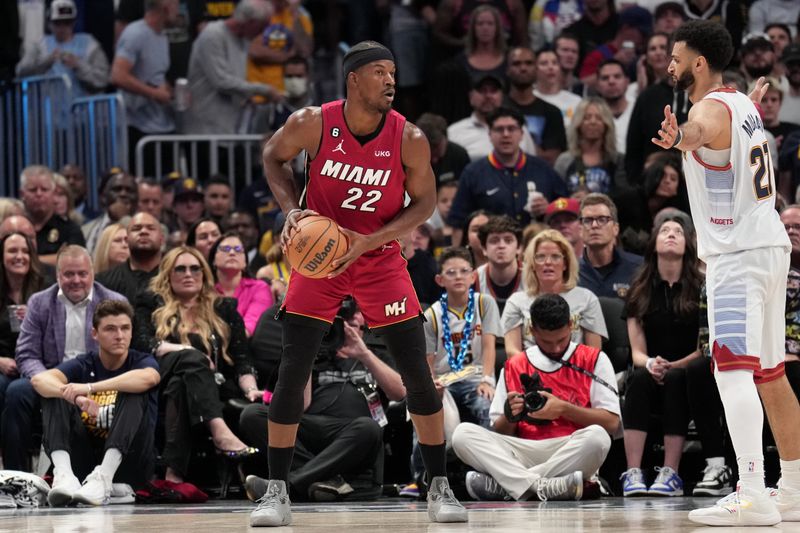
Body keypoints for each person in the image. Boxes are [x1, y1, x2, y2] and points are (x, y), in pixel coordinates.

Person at [252, 41, 468, 526]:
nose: (391, 80)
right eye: (379, 72)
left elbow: (424, 203)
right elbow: (272, 157)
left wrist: (374, 240)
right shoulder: (313, 122)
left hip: (377, 258)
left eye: (394, 71)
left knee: (415, 369)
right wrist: (292, 212)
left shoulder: (409, 137)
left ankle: (438, 486)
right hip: (320, 257)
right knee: (293, 369)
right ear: (354, 79)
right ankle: (277, 491)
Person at [652, 19, 800, 525]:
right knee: (771, 374)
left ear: (697, 63)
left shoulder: (709, 110)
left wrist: (679, 137)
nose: (668, 65)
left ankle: (754, 492)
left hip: (737, 255)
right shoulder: (742, 102)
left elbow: (700, 130)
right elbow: (726, 122)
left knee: (731, 369)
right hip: (769, 247)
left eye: (675, 57)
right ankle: (795, 490)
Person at [451, 293, 621, 502]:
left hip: (569, 449)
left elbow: (612, 424)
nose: (556, 348)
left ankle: (509, 486)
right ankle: (545, 486)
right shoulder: (514, 365)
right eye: (547, 342)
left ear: (571, 325)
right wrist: (510, 415)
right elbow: (501, 431)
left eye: (561, 339)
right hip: (522, 452)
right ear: (531, 330)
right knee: (462, 434)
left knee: (598, 437)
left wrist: (565, 409)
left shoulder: (594, 359)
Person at [239, 299, 406, 502]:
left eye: (351, 326)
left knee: (369, 427)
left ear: (363, 324)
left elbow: (400, 392)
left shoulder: (375, 355)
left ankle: (287, 484)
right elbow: (301, 406)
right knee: (252, 415)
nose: (344, 332)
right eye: (336, 326)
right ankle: (328, 480)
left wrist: (364, 354)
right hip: (314, 427)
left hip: (355, 435)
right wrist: (308, 351)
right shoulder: (313, 355)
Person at [132, 246, 259, 485]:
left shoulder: (225, 308)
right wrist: (188, 350)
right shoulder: (149, 303)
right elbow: (144, 345)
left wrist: (251, 389)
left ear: (204, 273)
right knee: (190, 361)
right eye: (180, 269)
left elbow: (242, 359)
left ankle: (174, 474)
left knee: (180, 386)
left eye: (195, 268)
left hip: (211, 386)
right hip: (161, 377)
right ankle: (219, 430)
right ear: (168, 274)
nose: (188, 274)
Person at [4, 245, 125, 471]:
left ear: (92, 273)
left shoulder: (113, 301)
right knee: (16, 393)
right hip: (51, 375)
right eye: (69, 274)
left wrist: (89, 386)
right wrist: (49, 382)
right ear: (58, 275)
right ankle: (16, 475)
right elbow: (26, 352)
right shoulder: (40, 302)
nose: (76, 280)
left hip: (95, 380)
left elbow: (121, 350)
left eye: (82, 274)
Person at [31, 300, 160, 506]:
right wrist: (73, 396)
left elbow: (149, 378)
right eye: (110, 329)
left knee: (133, 389)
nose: (119, 335)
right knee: (57, 393)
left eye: (125, 328)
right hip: (85, 463)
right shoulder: (85, 362)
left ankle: (105, 478)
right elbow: (39, 380)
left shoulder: (141, 361)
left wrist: (89, 388)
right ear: (94, 334)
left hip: (129, 463)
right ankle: (64, 476)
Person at [618, 212, 703, 497]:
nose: (670, 234)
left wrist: (674, 365)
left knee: (678, 378)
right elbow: (637, 351)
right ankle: (633, 471)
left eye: (677, 231)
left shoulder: (702, 287)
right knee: (639, 378)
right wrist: (652, 363)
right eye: (664, 230)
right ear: (653, 243)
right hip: (653, 370)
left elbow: (705, 347)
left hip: (693, 375)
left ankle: (671, 472)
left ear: (687, 244)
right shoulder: (639, 290)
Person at [447, 107, 567, 234]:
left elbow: (566, 209)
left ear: (521, 134)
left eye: (511, 129)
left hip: (536, 248)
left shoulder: (543, 169)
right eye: (499, 129)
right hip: (491, 248)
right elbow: (458, 223)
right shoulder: (473, 173)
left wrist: (549, 209)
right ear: (489, 134)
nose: (505, 134)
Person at [502, 229, 607, 355]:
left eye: (555, 256)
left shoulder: (587, 299)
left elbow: (594, 351)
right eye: (540, 257)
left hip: (574, 369)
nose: (548, 262)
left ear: (565, 264)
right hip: (531, 370)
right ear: (533, 264)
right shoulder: (516, 301)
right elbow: (511, 351)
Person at [184, 0, 279, 135]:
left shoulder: (243, 40)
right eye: (262, 26)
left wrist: (246, 95)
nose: (262, 32)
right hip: (205, 131)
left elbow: (236, 78)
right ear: (250, 22)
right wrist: (263, 90)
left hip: (231, 128)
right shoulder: (212, 35)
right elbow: (221, 81)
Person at [110, 0, 180, 172]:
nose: (179, 11)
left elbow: (153, 76)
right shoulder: (136, 33)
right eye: (177, 5)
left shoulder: (162, 36)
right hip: (138, 126)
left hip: (162, 123)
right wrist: (154, 94)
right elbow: (117, 75)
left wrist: (170, 92)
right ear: (166, 7)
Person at [0, 232, 45, 440]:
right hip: (3, 363)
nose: (20, 256)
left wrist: (36, 315)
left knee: (18, 391)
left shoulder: (45, 287)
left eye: (25, 251)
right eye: (12, 251)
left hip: (37, 364)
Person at [15, 0, 109, 98]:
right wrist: (46, 62)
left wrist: (78, 65)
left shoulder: (90, 44)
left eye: (67, 23)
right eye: (57, 23)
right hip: (49, 109)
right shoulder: (40, 45)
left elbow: (102, 80)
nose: (62, 27)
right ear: (49, 23)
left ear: (74, 23)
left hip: (81, 110)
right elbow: (20, 72)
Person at [504, 46, 567, 166]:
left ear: (536, 69)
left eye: (529, 63)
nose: (523, 68)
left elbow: (552, 159)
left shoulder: (551, 112)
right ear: (507, 70)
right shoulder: (497, 109)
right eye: (517, 64)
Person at [554, 98, 626, 198]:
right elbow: (556, 197)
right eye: (587, 117)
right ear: (578, 123)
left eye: (599, 118)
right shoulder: (564, 160)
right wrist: (571, 201)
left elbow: (624, 197)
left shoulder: (618, 160)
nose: (593, 122)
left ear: (606, 124)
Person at [578, 193, 642, 299]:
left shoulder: (639, 268)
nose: (594, 225)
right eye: (588, 220)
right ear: (580, 230)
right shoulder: (570, 272)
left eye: (602, 219)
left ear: (615, 229)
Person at [19, 165, 85, 266]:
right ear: (22, 194)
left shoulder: (69, 229)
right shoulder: (14, 228)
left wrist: (27, 259)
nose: (39, 194)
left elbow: (74, 261)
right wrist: (56, 257)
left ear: (53, 194)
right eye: (33, 190)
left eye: (44, 189)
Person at [209, 232, 273, 335]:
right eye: (225, 249)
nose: (232, 253)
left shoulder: (259, 288)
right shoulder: (205, 290)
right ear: (213, 260)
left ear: (245, 263)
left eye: (238, 249)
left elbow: (250, 326)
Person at [96, 212, 165, 304]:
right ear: (127, 239)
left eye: (150, 228)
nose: (143, 231)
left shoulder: (174, 278)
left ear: (162, 239)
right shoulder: (103, 283)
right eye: (137, 228)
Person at [473, 216, 524, 315]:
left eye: (508, 240)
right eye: (494, 241)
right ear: (484, 248)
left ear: (519, 248)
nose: (501, 246)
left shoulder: (533, 277)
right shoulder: (473, 280)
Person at [81, 169, 137, 255]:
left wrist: (124, 219)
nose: (123, 194)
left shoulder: (154, 229)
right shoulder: (85, 230)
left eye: (129, 190)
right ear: (103, 197)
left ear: (137, 198)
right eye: (117, 189)